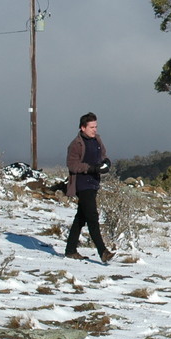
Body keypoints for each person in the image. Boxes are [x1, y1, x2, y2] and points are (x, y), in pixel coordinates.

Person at [65, 112, 114, 263]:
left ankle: (70, 250)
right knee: (92, 217)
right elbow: (72, 165)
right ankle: (102, 251)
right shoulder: (76, 144)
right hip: (82, 183)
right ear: (82, 128)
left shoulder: (97, 140)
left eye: (96, 126)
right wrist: (91, 168)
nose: (95, 130)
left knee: (81, 217)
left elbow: (103, 156)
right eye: (92, 127)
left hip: (94, 183)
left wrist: (106, 163)